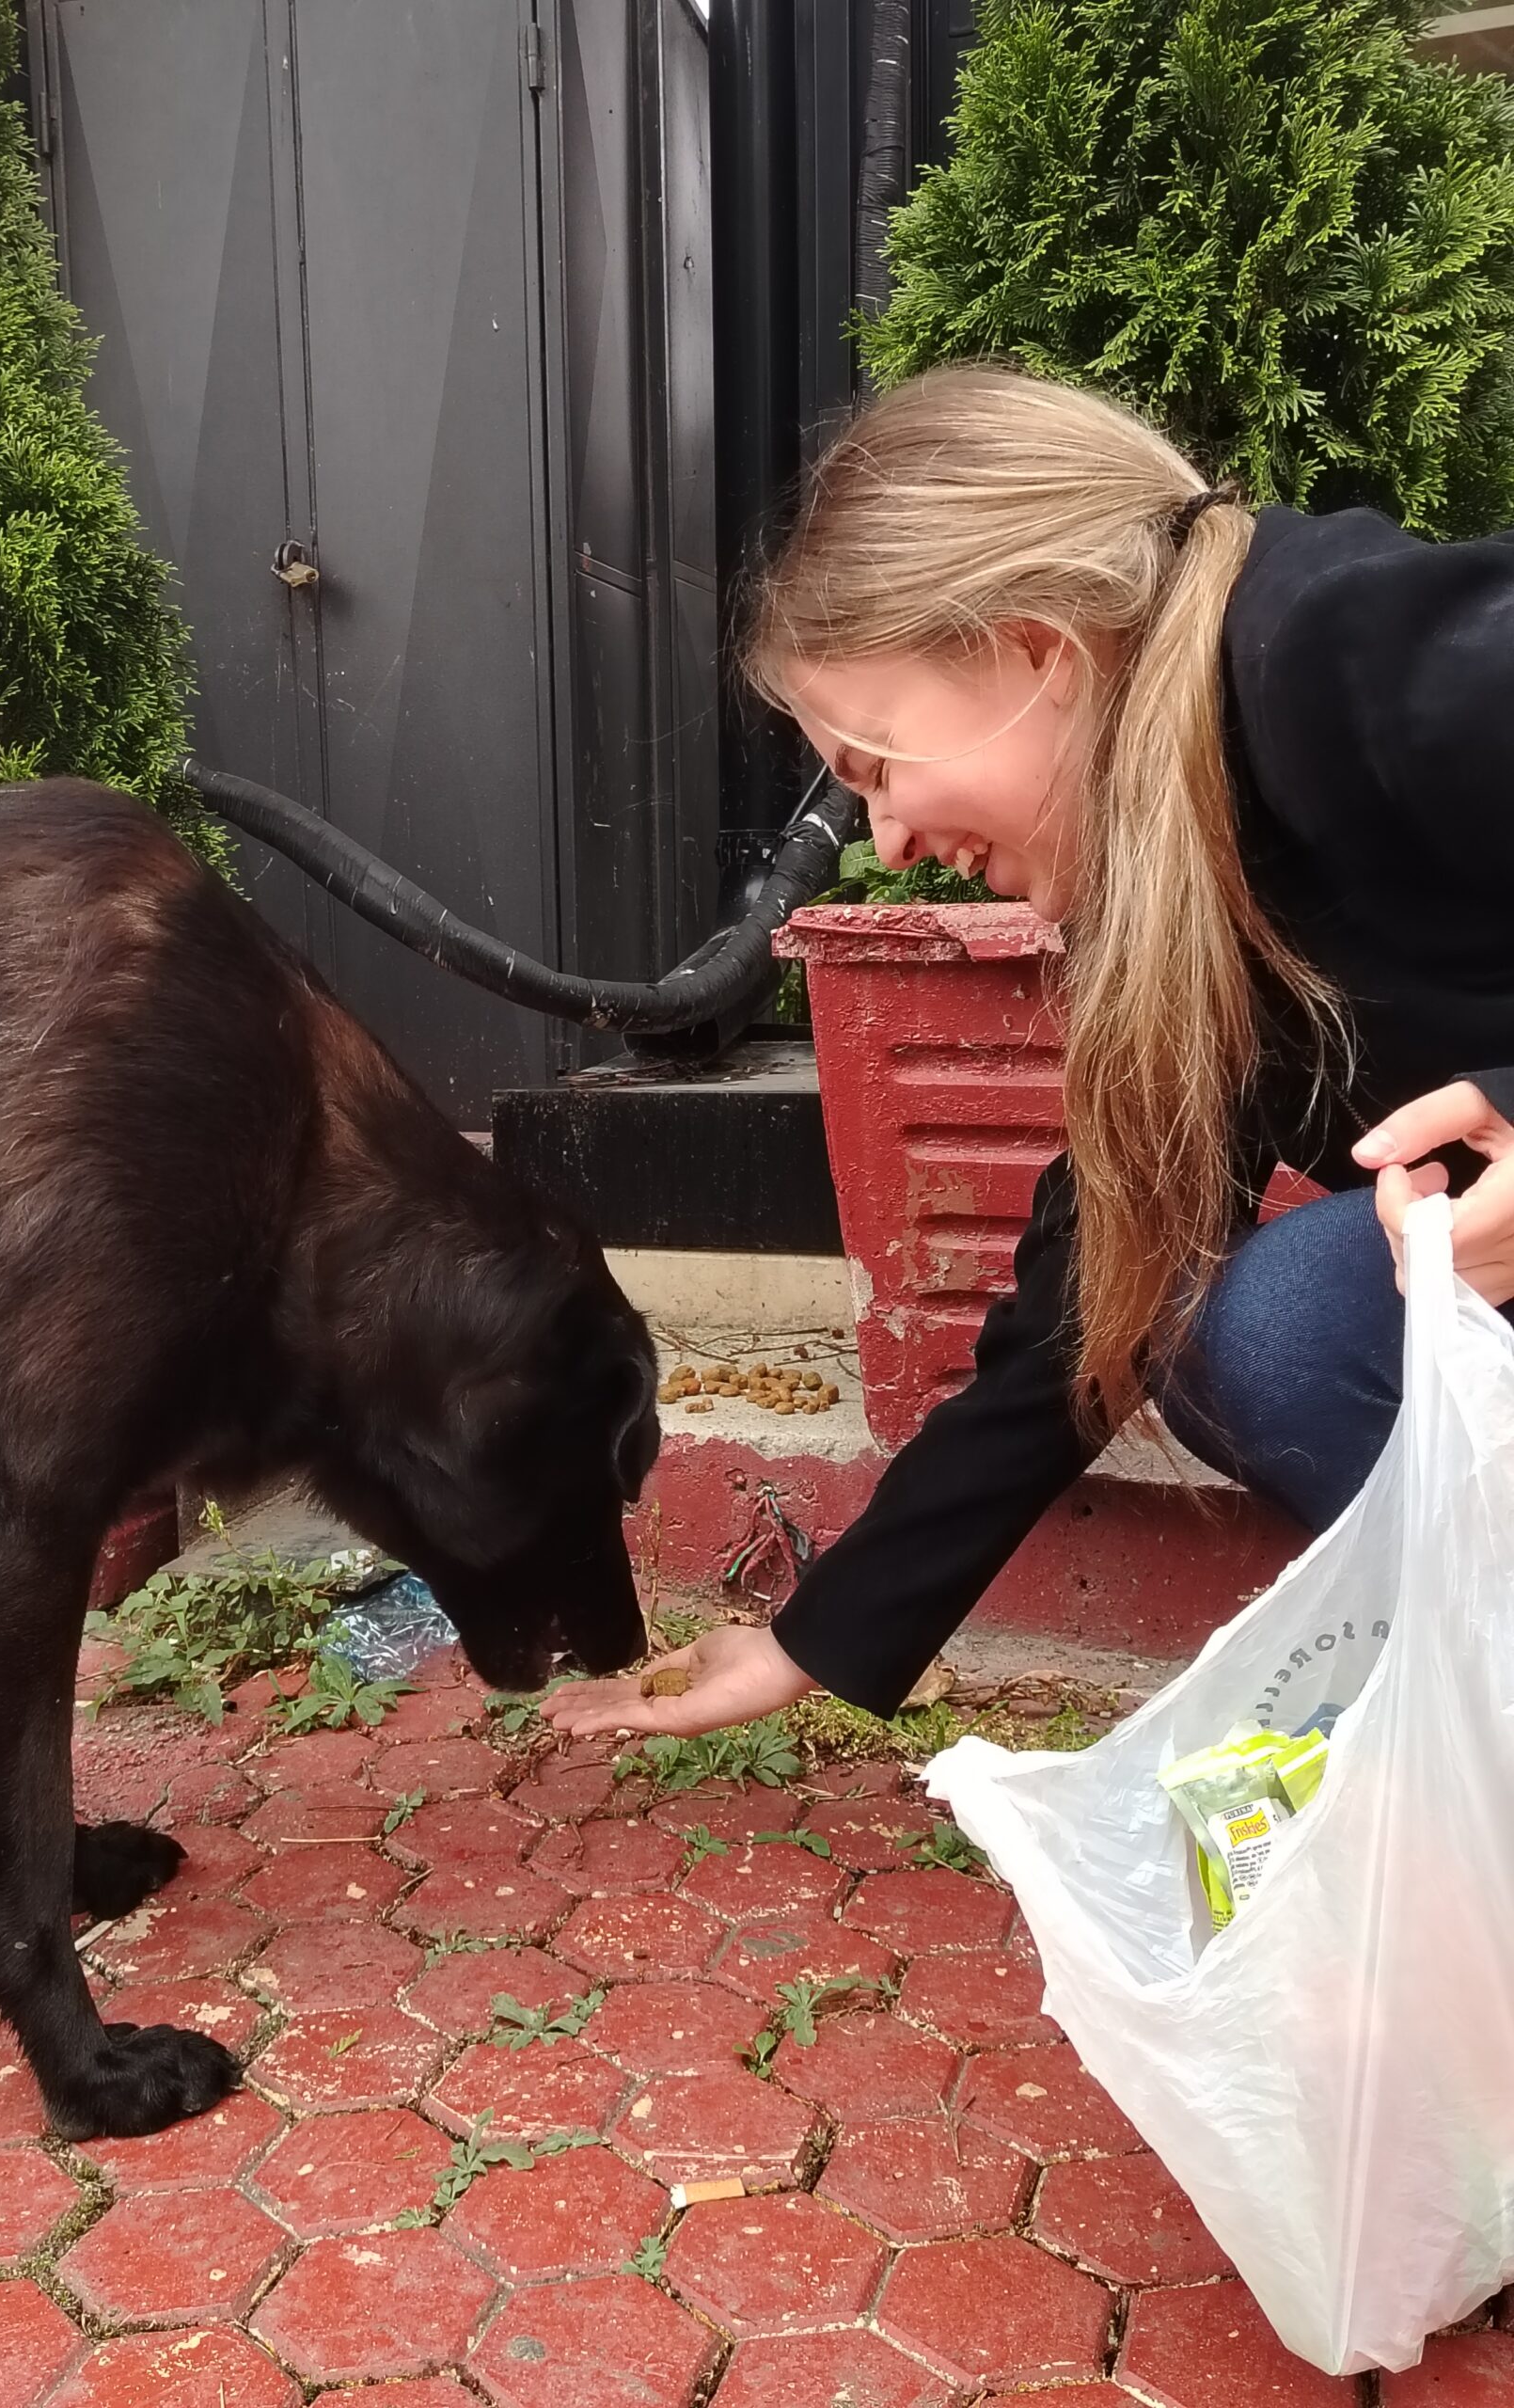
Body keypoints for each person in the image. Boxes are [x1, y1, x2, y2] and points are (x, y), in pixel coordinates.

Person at [544, 360, 1514, 1744]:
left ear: (1036, 652)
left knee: (1291, 1314)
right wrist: (820, 1638)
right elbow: (1077, 1312)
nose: (887, 848)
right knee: (1234, 1330)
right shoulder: (1179, 861)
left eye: (875, 765)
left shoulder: (1337, 650)